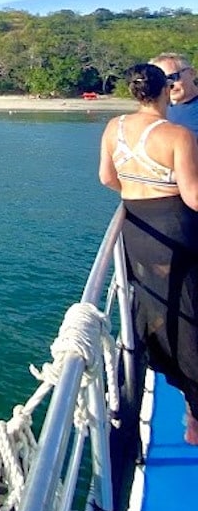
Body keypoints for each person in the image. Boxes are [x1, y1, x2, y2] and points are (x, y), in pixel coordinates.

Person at [99, 63, 198, 443]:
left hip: (137, 230)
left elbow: (108, 178)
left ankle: (168, 378)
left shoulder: (114, 128)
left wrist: (139, 187)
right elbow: (192, 196)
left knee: (157, 307)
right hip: (175, 229)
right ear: (165, 91)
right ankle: (195, 418)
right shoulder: (177, 135)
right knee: (190, 315)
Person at [151, 52, 198, 136]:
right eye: (161, 80)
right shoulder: (155, 111)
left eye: (172, 77)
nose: (169, 85)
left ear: (192, 73)